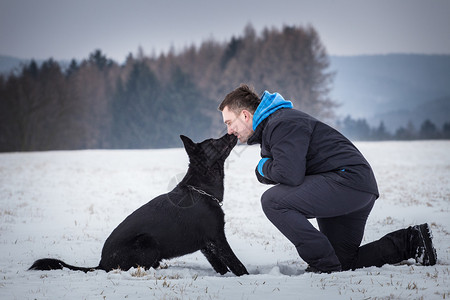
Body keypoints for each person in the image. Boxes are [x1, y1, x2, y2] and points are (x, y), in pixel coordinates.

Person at [219, 84, 437, 273]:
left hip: (347, 181)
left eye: (230, 122)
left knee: (272, 201)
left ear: (245, 115)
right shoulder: (277, 125)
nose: (229, 131)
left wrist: (263, 167)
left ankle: (323, 264)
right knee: (344, 260)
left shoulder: (282, 123)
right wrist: (265, 168)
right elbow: (287, 170)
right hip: (353, 185)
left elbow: (289, 174)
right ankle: (411, 242)